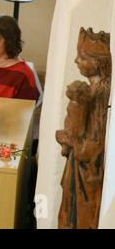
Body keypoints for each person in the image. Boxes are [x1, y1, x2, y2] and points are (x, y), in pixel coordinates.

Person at [57, 28, 111, 229]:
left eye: (81, 57)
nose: (75, 61)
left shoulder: (100, 95)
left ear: (97, 63)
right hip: (78, 167)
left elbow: (93, 144)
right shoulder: (92, 90)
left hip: (87, 173)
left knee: (81, 218)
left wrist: (68, 139)